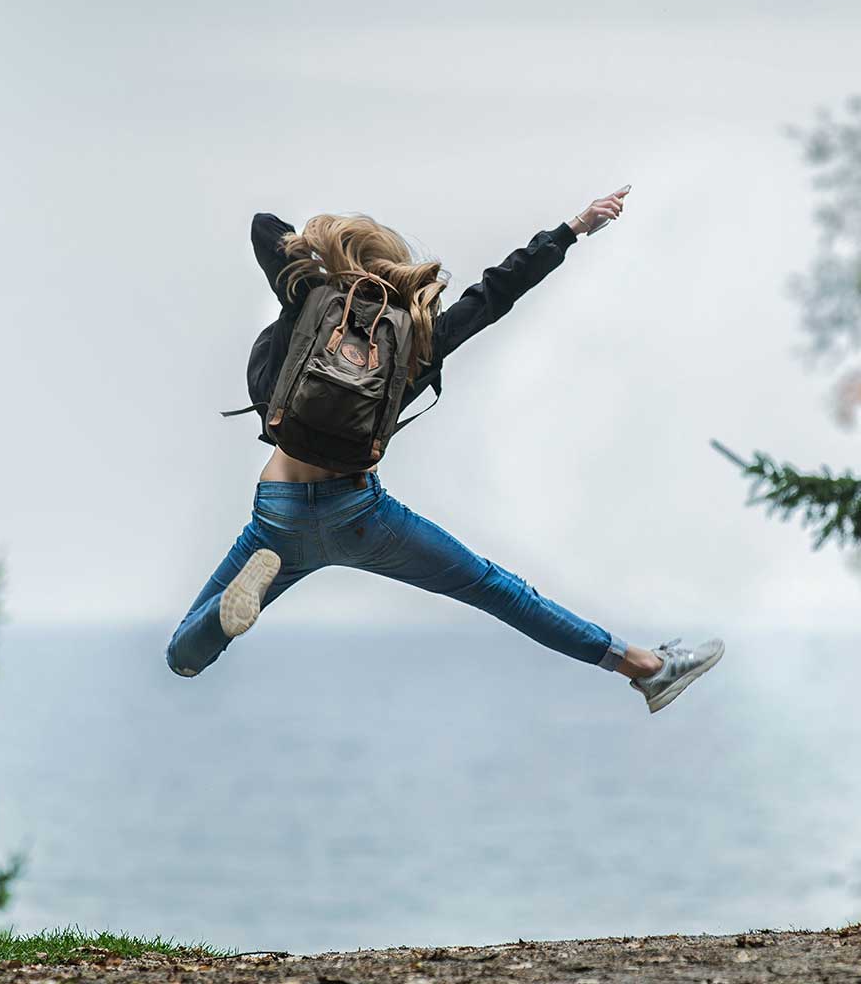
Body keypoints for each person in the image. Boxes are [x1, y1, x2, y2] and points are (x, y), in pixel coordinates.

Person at [166, 188, 724, 714]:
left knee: (182, 657)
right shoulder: (418, 335)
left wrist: (327, 260)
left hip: (278, 514)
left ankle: (222, 616)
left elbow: (265, 227)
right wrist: (572, 228)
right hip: (359, 515)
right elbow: (496, 293)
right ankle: (645, 668)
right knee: (498, 590)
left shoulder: (309, 299)